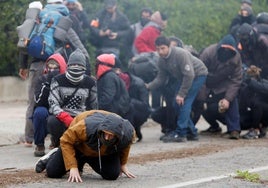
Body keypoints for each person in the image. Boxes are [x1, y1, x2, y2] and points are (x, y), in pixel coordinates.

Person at [18, 0, 90, 147]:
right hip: (57, 66)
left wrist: (23, 66)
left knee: (34, 101)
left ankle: (29, 138)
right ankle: (54, 140)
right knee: (57, 102)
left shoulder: (38, 19)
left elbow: (24, 42)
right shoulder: (63, 22)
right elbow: (80, 47)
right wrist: (86, 67)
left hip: (36, 65)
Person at [35, 110, 136, 182]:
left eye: (111, 136)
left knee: (112, 175)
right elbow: (66, 140)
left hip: (100, 153)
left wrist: (123, 164)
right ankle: (54, 154)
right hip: (78, 147)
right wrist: (72, 166)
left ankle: (83, 162)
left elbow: (125, 145)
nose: (106, 138)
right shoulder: (85, 127)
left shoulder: (128, 133)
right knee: (53, 172)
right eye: (105, 133)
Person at [147, 36, 208, 143]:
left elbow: (190, 75)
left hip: (197, 75)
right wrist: (148, 86)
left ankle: (181, 133)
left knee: (184, 102)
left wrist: (182, 94)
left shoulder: (180, 54)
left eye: (163, 48)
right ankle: (192, 132)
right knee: (176, 104)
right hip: (184, 77)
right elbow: (161, 77)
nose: (160, 52)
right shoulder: (161, 60)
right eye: (158, 49)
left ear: (169, 47)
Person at [47, 49, 98, 147]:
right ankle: (58, 142)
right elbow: (53, 104)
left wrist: (86, 118)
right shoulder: (57, 80)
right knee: (52, 121)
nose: (76, 67)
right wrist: (65, 117)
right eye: (73, 64)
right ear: (68, 66)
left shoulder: (91, 83)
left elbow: (94, 106)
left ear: (84, 67)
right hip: (62, 117)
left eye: (79, 65)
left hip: (81, 117)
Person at [199, 34, 242, 139]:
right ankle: (190, 129)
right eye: (224, 49)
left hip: (223, 85)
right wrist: (202, 98)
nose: (226, 52)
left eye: (230, 50)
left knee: (232, 100)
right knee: (200, 104)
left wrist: (227, 99)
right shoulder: (208, 53)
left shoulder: (236, 57)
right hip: (206, 83)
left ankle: (234, 130)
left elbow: (236, 80)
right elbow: (199, 75)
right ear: (219, 47)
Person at [33, 53, 67, 156]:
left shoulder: (65, 80)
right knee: (39, 113)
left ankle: (57, 141)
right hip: (45, 108)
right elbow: (38, 101)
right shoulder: (42, 79)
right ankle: (39, 144)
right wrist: (48, 84)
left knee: (60, 116)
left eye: (55, 67)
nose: (52, 69)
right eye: (50, 67)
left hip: (60, 109)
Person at [114, 67, 151, 142]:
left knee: (130, 106)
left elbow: (145, 105)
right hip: (126, 109)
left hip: (140, 110)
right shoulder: (115, 83)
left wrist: (127, 101)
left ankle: (130, 132)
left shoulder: (138, 83)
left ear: (120, 70)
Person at [95, 53, 131, 120]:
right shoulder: (108, 76)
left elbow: (107, 97)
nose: (96, 65)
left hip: (111, 114)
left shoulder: (109, 77)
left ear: (104, 65)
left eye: (98, 63)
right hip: (112, 113)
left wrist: (96, 109)